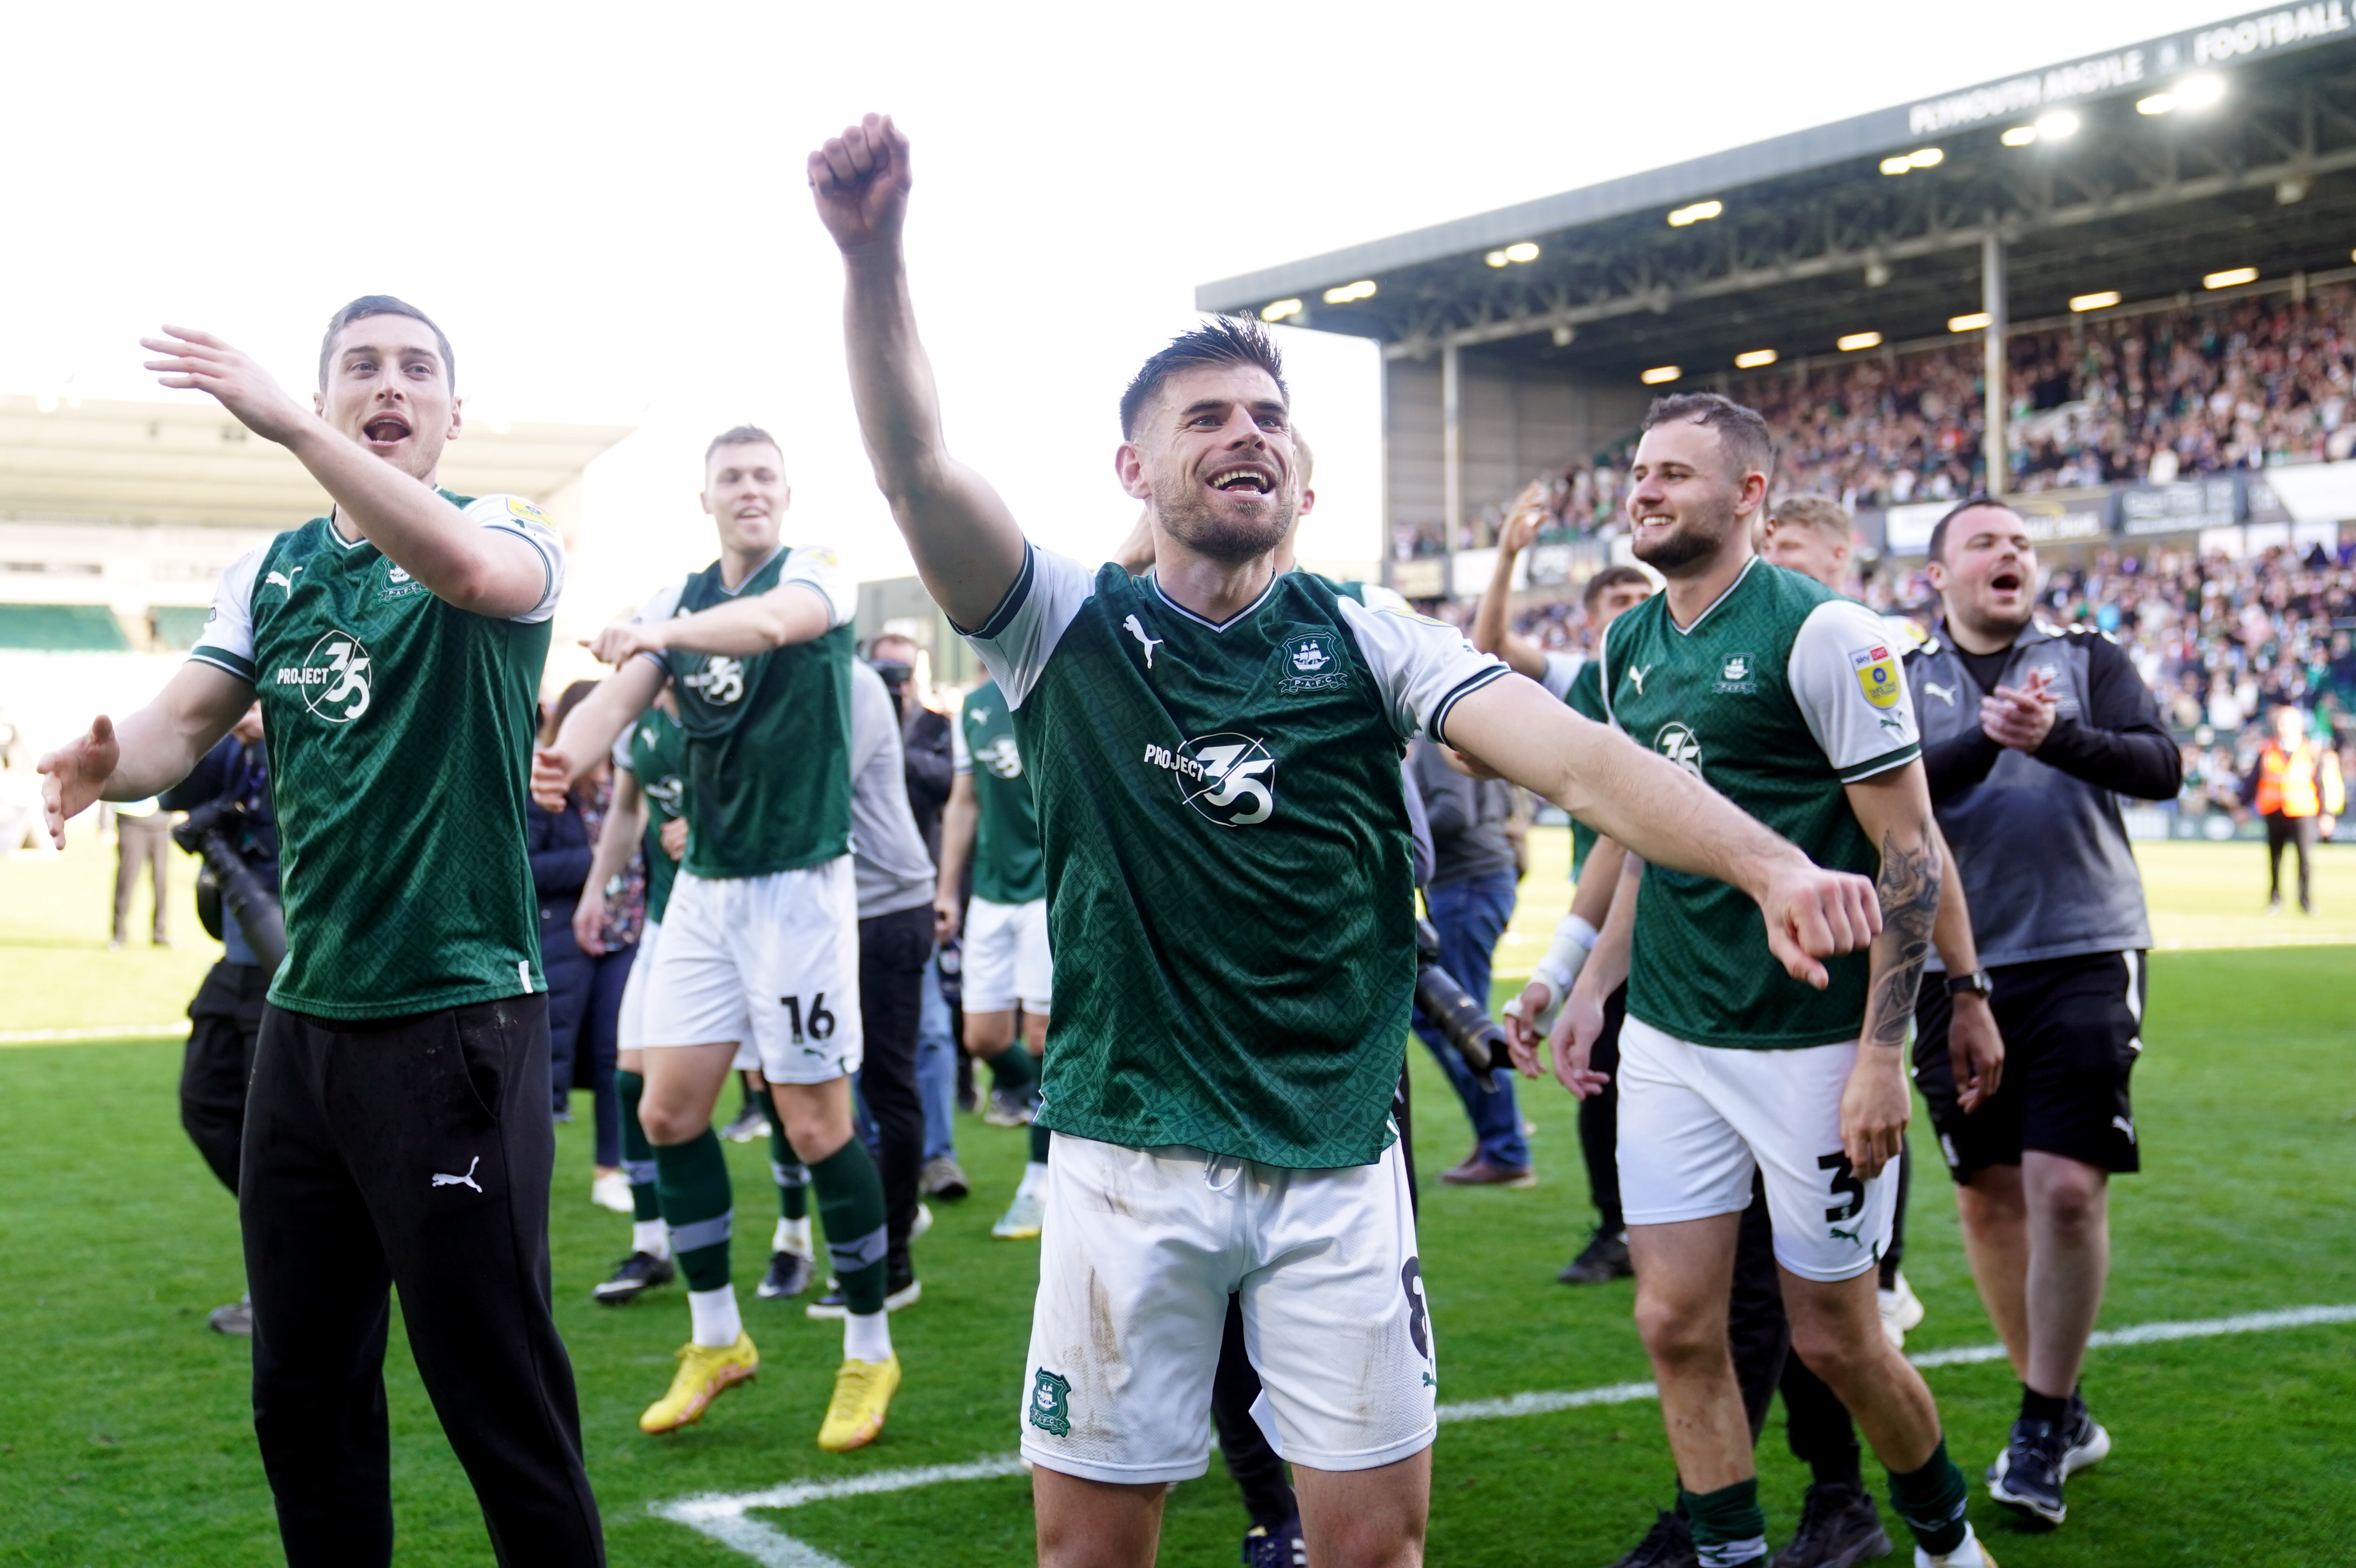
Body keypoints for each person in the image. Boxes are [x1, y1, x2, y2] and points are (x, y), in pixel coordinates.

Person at [812, 114, 1878, 1568]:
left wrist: (1767, 862)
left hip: (1335, 1154)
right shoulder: (1062, 622)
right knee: (1090, 1550)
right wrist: (874, 258)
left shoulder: (1368, 636)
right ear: (1131, 465)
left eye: (1266, 414)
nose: (1244, 431)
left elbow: (1575, 755)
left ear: (1300, 473)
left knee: (1374, 1549)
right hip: (1126, 1151)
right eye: (1205, 416)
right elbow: (918, 465)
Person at [41, 296, 602, 1565]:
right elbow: (178, 729)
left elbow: (470, 576)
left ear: (453, 412)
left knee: (500, 1404)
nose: (388, 383)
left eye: (416, 368)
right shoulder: (274, 570)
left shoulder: (510, 530)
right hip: (306, 1029)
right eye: (361, 366)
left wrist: (294, 430)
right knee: (305, 1400)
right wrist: (104, 766)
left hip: (458, 1016)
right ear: (328, 393)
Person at [1536, 393, 1996, 1568]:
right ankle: (1729, 1555)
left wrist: (1884, 1051)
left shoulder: (1830, 632)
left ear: (1749, 494)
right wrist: (1589, 980)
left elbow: (1909, 851)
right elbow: (1645, 835)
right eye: (1638, 473)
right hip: (1671, 1039)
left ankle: (1947, 1540)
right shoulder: (1626, 647)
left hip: (1811, 1042)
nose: (1644, 491)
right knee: (1673, 1320)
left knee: (1837, 1335)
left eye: (1674, 474)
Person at [534, 424, 900, 1452]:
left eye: (765, 476)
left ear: (786, 493)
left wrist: (660, 632)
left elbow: (773, 625)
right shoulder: (677, 598)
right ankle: (717, 1337)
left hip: (798, 887)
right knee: (666, 1109)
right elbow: (617, 700)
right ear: (706, 498)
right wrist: (561, 757)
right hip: (703, 889)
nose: (750, 490)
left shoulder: (816, 574)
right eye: (731, 477)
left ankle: (868, 1348)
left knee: (817, 1125)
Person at [1906, 497, 2182, 1529]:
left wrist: (2055, 736)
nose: (2010, 553)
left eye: (2021, 542)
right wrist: (1986, 744)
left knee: (2065, 1188)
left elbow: (2160, 766)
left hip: (2083, 948)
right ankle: (2059, 1412)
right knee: (1988, 1195)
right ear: (1939, 574)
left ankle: (2038, 1419)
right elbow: (1889, 791)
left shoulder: (2086, 656)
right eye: (1985, 541)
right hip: (1950, 965)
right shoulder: (1900, 674)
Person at [1474, 531, 1654, 1279]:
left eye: (1643, 597)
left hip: (1686, 913)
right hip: (1610, 902)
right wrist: (1507, 558)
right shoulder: (1582, 677)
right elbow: (1491, 650)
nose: (1633, 609)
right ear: (1589, 618)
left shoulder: (1677, 674)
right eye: (1619, 599)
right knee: (1601, 1075)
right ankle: (1618, 1226)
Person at [799, 656, 939, 1316]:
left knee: (886, 1084)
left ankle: (894, 1264)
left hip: (885, 909)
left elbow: (816, 789)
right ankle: (886, 1219)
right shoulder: (795, 676)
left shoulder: (850, 681)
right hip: (831, 913)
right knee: (827, 1084)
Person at [157, 700, 278, 1335]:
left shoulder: (314, 746)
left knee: (275, 1133)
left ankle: (280, 1287)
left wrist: (274, 732)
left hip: (293, 963)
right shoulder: (232, 749)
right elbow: (172, 790)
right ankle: (314, 1219)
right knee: (204, 1100)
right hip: (235, 957)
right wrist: (207, 722)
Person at [934, 670, 1057, 1235]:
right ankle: (1056, 1103)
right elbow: (963, 802)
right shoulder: (974, 706)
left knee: (1041, 1037)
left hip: (1048, 889)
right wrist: (946, 890)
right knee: (982, 1037)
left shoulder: (1053, 681)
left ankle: (1039, 1183)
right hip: (989, 892)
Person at [581, 688, 690, 1304]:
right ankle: (651, 1244)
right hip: (663, 922)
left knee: (780, 1094)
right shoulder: (639, 718)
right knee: (631, 1078)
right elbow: (626, 809)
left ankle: (795, 1240)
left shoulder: (732, 694)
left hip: (745, 918)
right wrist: (597, 888)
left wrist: (712, 825)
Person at [867, 633, 969, 1201]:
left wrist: (895, 739)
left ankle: (937, 1156)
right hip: (860, 897)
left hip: (919, 892)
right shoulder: (852, 715)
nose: (896, 684)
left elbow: (950, 786)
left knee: (931, 1029)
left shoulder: (935, 727)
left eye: (903, 674)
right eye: (886, 672)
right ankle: (873, 1148)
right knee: (860, 1034)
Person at [1407, 733, 1531, 1185]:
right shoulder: (1456, 733)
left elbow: (1457, 813)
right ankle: (1497, 1126)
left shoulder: (1436, 738)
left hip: (1468, 885)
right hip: (1475, 882)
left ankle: (1506, 1145)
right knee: (1434, 1016)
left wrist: (1394, 826)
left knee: (1461, 1022)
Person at [2247, 702, 2342, 914]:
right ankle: (2275, 899)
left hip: (2303, 811)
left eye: (2287, 722)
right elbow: (2253, 780)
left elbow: (2320, 785)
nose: (2282, 726)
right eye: (2280, 722)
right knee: (2275, 859)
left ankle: (2305, 901)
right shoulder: (2267, 750)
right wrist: (2242, 806)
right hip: (2274, 811)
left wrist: (2326, 814)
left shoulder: (2311, 751)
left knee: (2305, 858)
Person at [110, 795, 175, 948]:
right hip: (131, 822)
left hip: (160, 822)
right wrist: (104, 824)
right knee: (126, 881)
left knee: (160, 882)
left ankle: (160, 934)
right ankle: (119, 935)